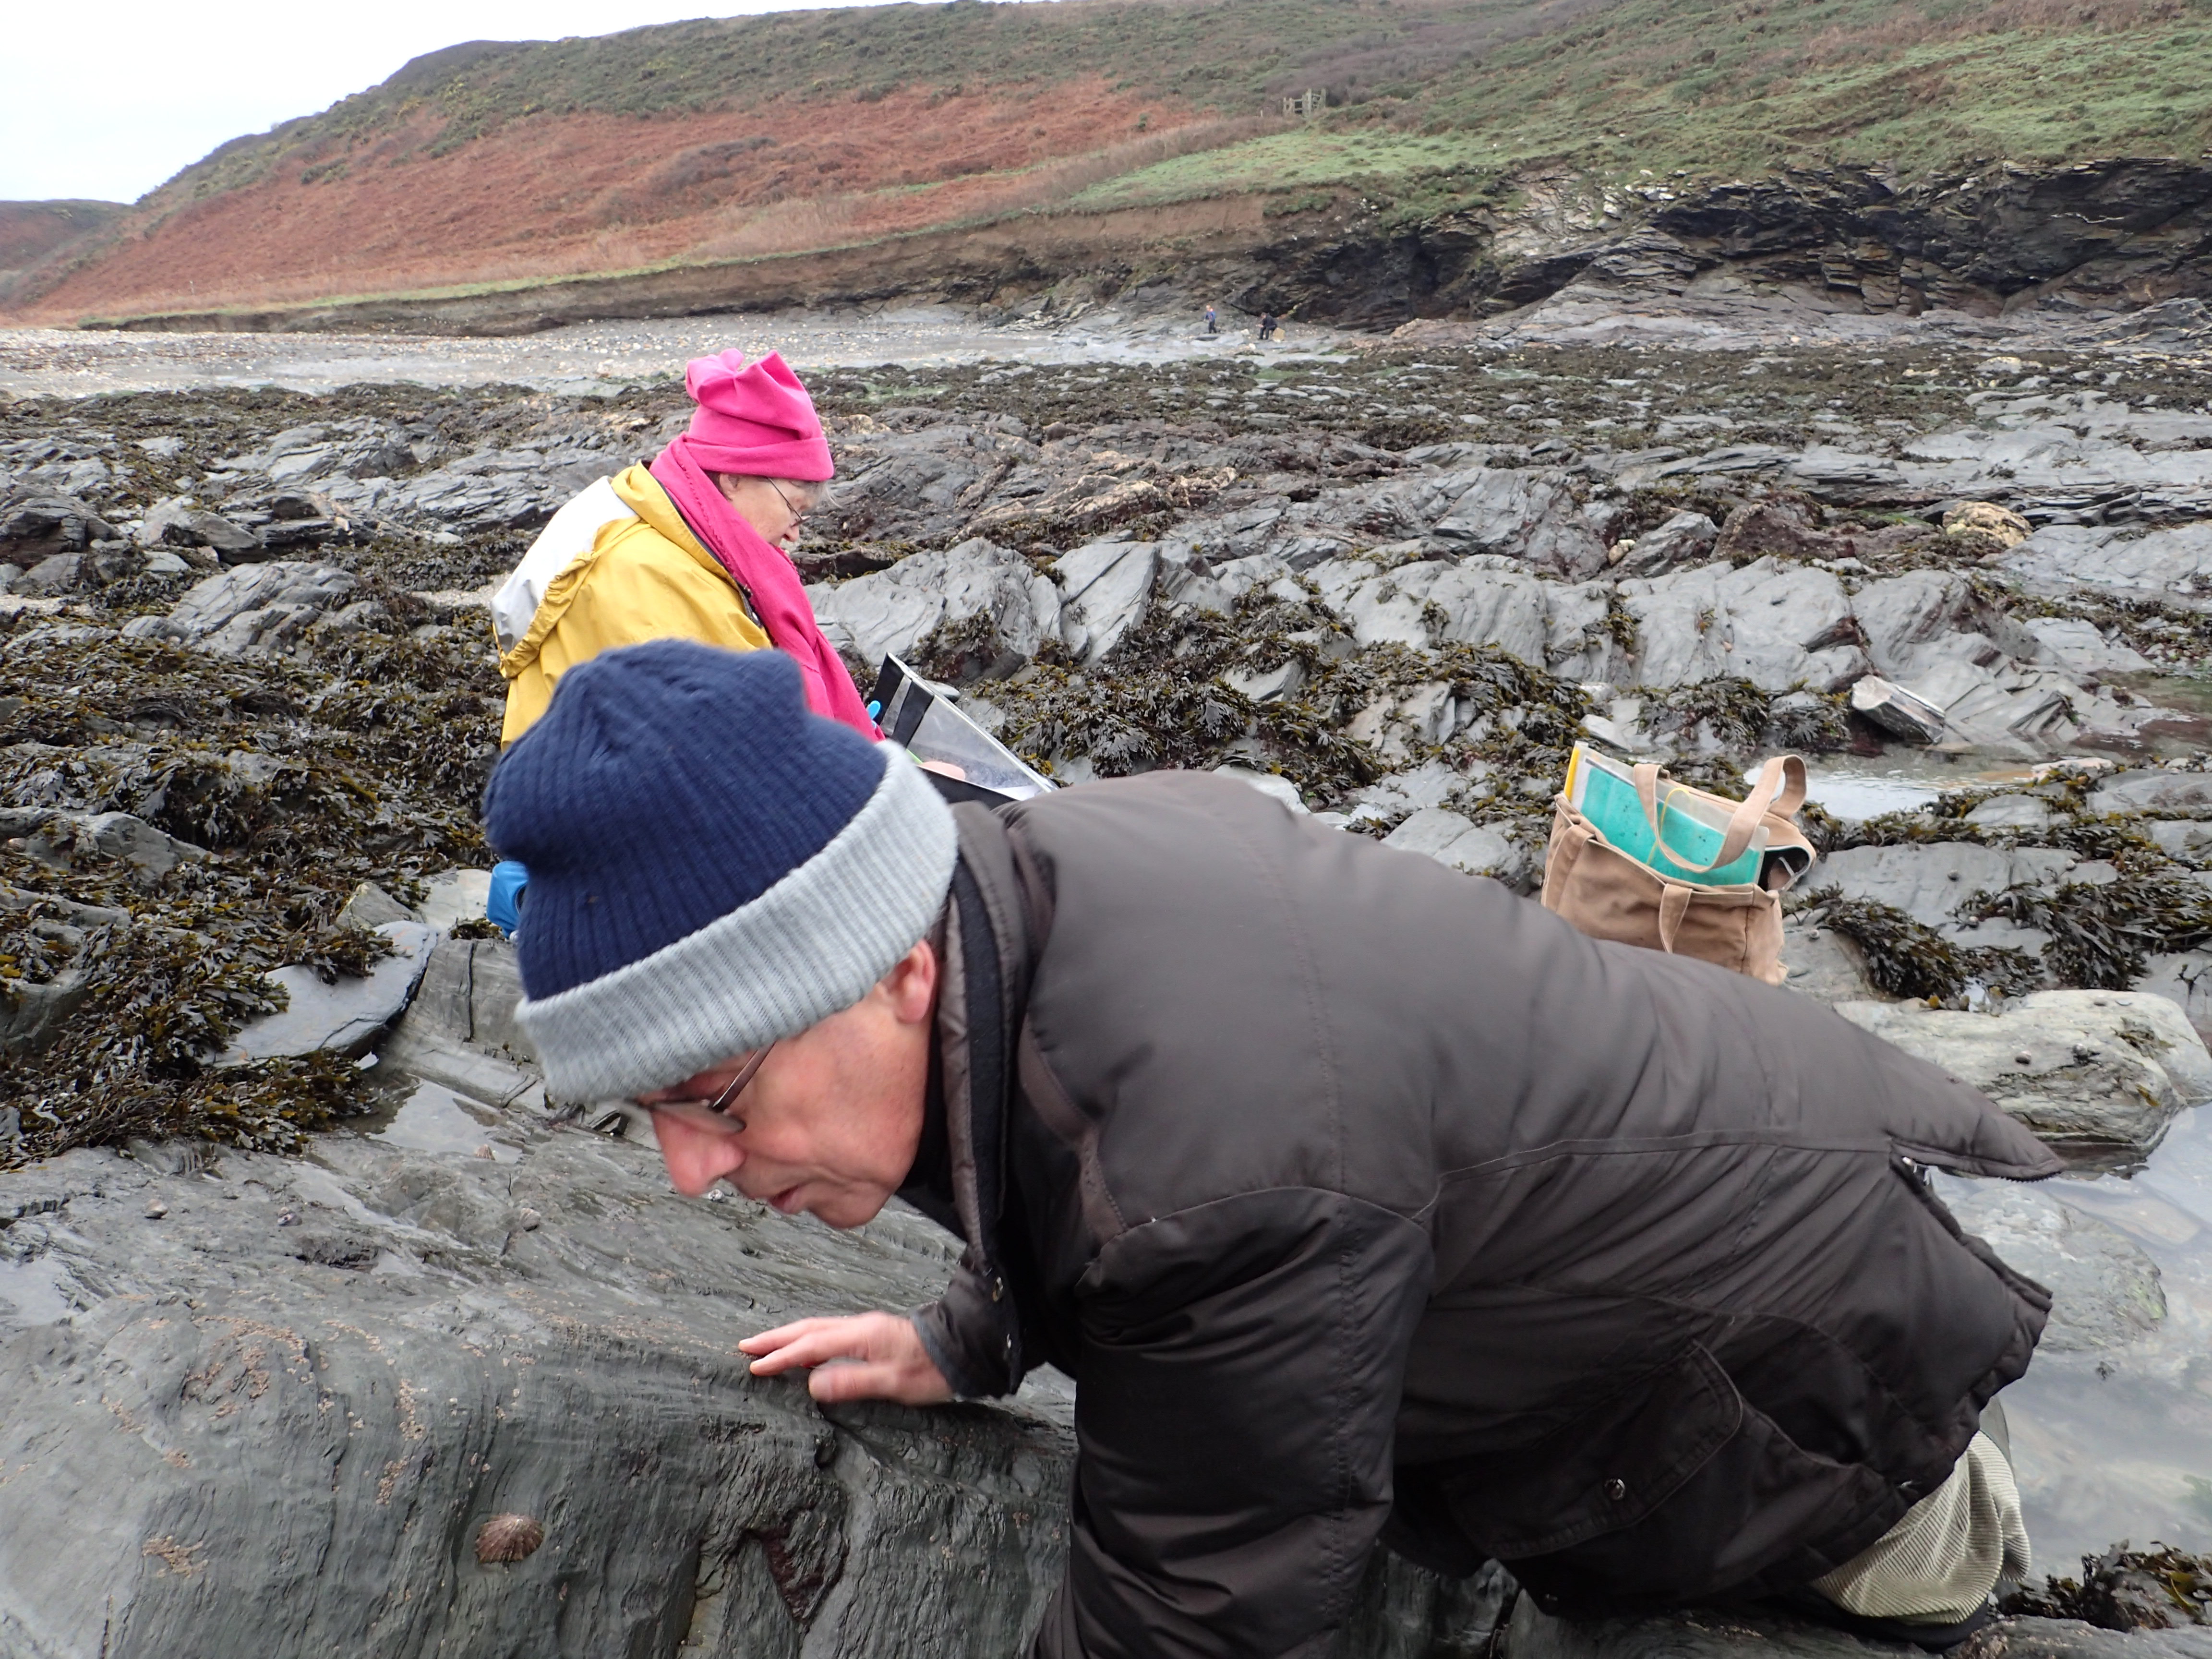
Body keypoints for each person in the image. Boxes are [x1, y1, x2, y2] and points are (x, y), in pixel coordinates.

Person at [486, 641, 2061, 1657]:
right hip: (1672, 1201)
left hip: (1800, 1370)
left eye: (708, 1090)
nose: (690, 1166)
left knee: (1924, 1577)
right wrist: (975, 1325)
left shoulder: (1211, 1154)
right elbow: (1073, 1156)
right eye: (649, 1114)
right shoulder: (1009, 883)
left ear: (883, 961)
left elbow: (1203, 1620)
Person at [489, 348, 875, 748]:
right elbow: (747, 752)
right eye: (795, 510)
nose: (795, 535)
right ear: (733, 479)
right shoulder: (649, 572)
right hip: (585, 802)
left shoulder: (658, 516)